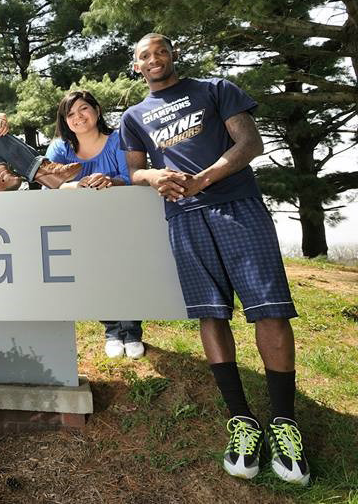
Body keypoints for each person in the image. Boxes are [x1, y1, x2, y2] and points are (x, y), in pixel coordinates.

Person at [120, 33, 308, 485]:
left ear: (172, 55)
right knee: (211, 315)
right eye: (145, 55)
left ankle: (284, 423)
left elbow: (249, 145)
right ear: (137, 66)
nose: (154, 58)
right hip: (183, 219)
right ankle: (241, 421)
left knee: (271, 311)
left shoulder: (216, 89)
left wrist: (203, 179)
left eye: (161, 50)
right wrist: (154, 176)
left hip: (238, 207)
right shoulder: (133, 117)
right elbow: (133, 169)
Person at [47, 90, 144, 360]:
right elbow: (50, 185)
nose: (78, 117)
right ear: (65, 120)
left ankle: (133, 330)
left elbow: (132, 177)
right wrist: (77, 185)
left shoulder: (117, 141)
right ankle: (112, 330)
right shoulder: (59, 149)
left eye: (83, 109)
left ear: (97, 111)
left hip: (121, 218)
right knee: (98, 274)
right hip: (82, 224)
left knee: (124, 270)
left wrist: (111, 181)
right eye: (70, 114)